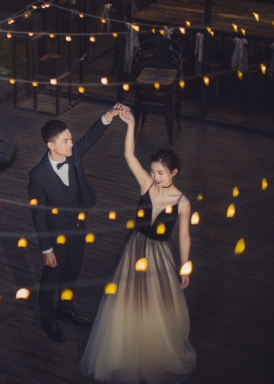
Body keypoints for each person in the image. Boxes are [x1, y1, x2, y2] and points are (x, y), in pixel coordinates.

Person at [78, 110, 196, 383]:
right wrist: (130, 124)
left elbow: (185, 237)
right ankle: (124, 351)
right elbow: (129, 156)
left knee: (155, 302)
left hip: (159, 255)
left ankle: (151, 352)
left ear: (174, 172)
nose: (155, 177)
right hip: (135, 248)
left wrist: (186, 267)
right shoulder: (145, 184)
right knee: (126, 298)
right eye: (153, 172)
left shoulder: (183, 202)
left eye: (161, 173)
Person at [28, 104, 128, 343]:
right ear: (51, 146)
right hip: (56, 237)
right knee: (51, 278)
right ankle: (47, 318)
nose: (71, 144)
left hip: (78, 228)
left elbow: (91, 137)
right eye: (65, 141)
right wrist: (46, 249)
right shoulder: (38, 175)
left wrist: (109, 115)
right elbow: (38, 215)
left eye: (71, 139)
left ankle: (65, 308)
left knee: (72, 272)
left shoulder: (73, 156)